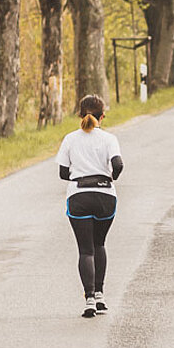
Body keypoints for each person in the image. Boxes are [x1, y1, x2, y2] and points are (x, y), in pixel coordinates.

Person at [55, 94, 123, 318]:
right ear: (102, 116)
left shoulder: (70, 139)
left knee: (85, 250)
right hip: (105, 196)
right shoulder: (109, 139)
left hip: (79, 197)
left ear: (79, 115)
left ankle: (90, 299)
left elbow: (63, 173)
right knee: (99, 244)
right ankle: (101, 294)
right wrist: (110, 178)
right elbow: (118, 164)